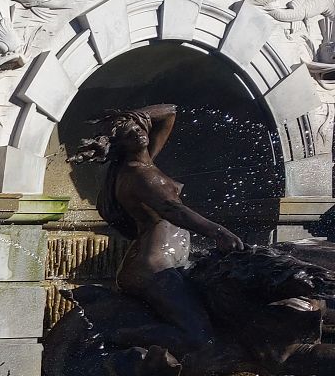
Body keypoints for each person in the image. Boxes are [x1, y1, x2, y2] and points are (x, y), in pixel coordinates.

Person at [81, 103, 243, 358]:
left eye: (137, 128)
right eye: (127, 134)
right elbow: (172, 210)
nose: (136, 132)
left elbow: (170, 112)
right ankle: (115, 336)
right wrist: (218, 232)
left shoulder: (146, 163)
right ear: (118, 146)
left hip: (162, 263)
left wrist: (131, 117)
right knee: (198, 336)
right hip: (153, 267)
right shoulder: (139, 176)